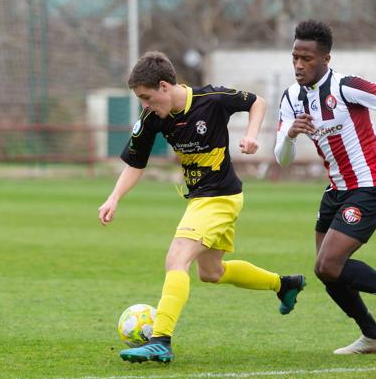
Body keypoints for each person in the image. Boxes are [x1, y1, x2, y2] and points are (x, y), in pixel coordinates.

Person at [99, 51, 305, 363]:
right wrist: (113, 197)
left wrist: (251, 136)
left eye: (146, 97)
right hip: (204, 198)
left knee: (176, 259)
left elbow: (257, 102)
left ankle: (160, 340)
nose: (144, 105)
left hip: (219, 197)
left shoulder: (212, 99)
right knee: (211, 272)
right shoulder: (152, 118)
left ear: (165, 86)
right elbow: (135, 163)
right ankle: (284, 284)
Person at [274, 20, 376, 355]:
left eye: (307, 59)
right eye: (295, 58)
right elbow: (282, 159)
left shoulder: (346, 87)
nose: (299, 65)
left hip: (371, 183)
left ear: (325, 59)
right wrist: (291, 135)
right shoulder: (291, 98)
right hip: (336, 189)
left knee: (328, 265)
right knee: (326, 271)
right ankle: (374, 337)